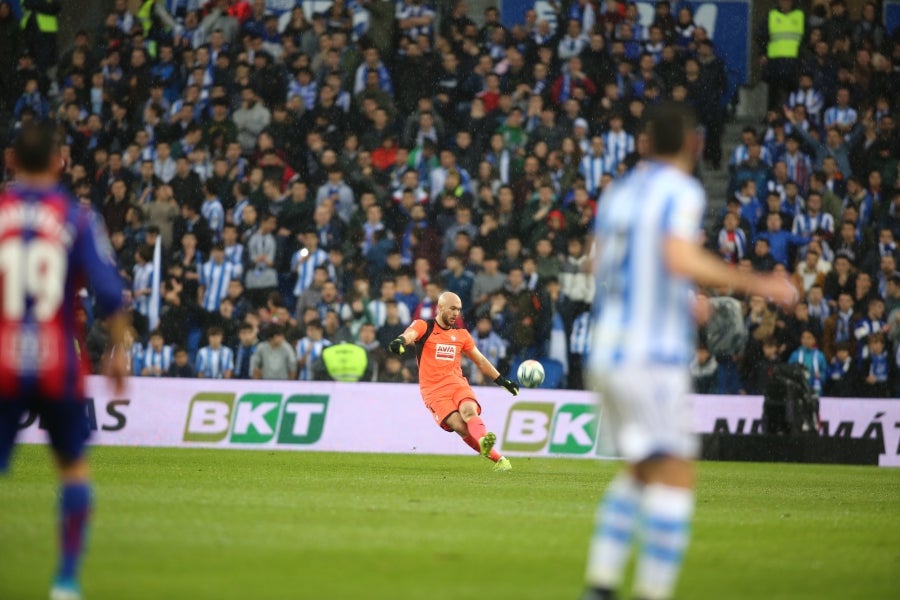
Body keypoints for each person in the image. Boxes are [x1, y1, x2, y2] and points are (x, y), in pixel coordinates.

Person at [582, 103, 797, 600]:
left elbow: (599, 263)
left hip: (607, 350)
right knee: (676, 473)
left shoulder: (619, 191)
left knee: (640, 470)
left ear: (645, 141)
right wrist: (754, 280)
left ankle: (600, 588)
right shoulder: (678, 189)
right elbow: (675, 253)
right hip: (650, 355)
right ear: (693, 146)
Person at [0, 123, 128, 600]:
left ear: (11, 161)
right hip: (58, 361)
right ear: (59, 163)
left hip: (2, 359)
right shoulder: (76, 217)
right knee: (73, 468)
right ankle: (67, 581)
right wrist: (118, 351)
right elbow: (111, 292)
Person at [388, 291, 519, 472]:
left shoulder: (462, 335)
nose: (456, 313)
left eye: (458, 310)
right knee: (461, 427)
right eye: (452, 309)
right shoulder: (424, 326)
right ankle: (499, 459)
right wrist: (400, 341)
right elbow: (410, 334)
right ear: (440, 308)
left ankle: (483, 439)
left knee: (468, 410)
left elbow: (480, 360)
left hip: (457, 384)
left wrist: (502, 380)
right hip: (434, 391)